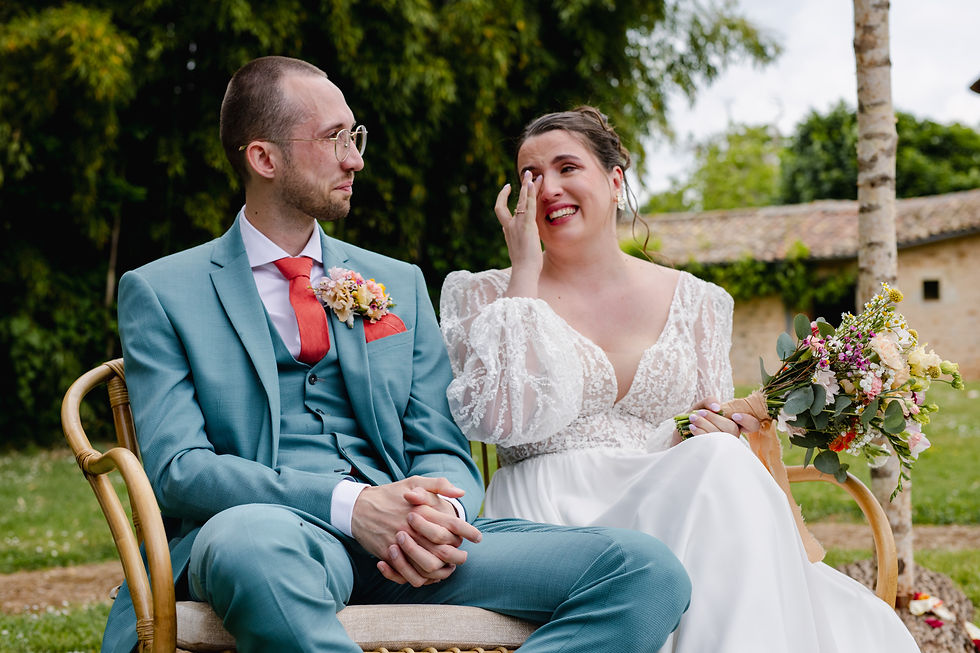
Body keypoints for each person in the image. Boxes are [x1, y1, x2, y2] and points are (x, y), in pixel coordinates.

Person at [104, 58, 692, 653]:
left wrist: (435, 513)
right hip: (270, 534)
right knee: (251, 546)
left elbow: (441, 443)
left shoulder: (398, 282)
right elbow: (180, 470)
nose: (355, 159)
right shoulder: (164, 291)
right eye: (334, 138)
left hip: (408, 545)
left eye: (354, 136)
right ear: (264, 158)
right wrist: (352, 506)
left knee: (645, 570)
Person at [440, 106, 920, 652]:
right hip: (552, 516)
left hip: (677, 499)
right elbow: (497, 422)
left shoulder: (698, 301)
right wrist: (524, 273)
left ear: (615, 181)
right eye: (530, 176)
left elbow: (707, 428)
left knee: (721, 457)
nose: (547, 188)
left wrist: (718, 427)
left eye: (567, 167)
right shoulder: (485, 294)